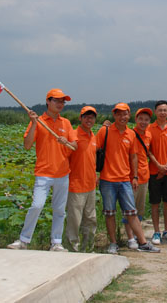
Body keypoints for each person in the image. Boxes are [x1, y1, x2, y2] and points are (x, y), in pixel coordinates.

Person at [8, 89, 78, 251]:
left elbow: (74, 145)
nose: (60, 104)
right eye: (57, 100)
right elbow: (27, 145)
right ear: (48, 101)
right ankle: (24, 240)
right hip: (43, 173)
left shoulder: (66, 123)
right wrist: (33, 123)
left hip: (62, 173)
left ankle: (56, 242)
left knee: (59, 210)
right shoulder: (38, 121)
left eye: (62, 101)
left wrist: (66, 142)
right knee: (37, 205)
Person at [96, 103, 159, 253]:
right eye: (118, 114)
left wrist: (135, 176)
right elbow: (95, 151)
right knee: (109, 213)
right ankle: (113, 243)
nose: (122, 117)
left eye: (124, 114)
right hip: (107, 180)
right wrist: (95, 174)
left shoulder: (130, 134)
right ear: (114, 115)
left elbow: (133, 157)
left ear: (129, 115)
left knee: (131, 212)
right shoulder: (104, 131)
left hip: (125, 179)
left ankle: (143, 243)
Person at [146, 100, 167, 244]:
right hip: (153, 171)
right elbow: (148, 150)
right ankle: (156, 231)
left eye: (165, 110)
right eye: (160, 110)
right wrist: (158, 166)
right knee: (155, 203)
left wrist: (166, 166)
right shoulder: (149, 128)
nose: (162, 113)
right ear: (155, 112)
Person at [66, 106, 99, 252]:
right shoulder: (73, 135)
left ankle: (88, 248)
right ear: (80, 118)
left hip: (90, 185)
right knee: (74, 220)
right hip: (75, 184)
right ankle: (72, 249)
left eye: (92, 117)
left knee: (91, 219)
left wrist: (96, 175)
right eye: (86, 117)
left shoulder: (93, 136)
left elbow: (93, 158)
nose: (89, 120)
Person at [132, 108, 153, 223]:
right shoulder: (130, 134)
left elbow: (149, 153)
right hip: (131, 177)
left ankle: (137, 230)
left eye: (146, 120)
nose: (143, 122)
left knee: (140, 209)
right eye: (141, 119)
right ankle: (129, 232)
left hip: (144, 176)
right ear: (136, 119)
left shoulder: (149, 135)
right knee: (130, 208)